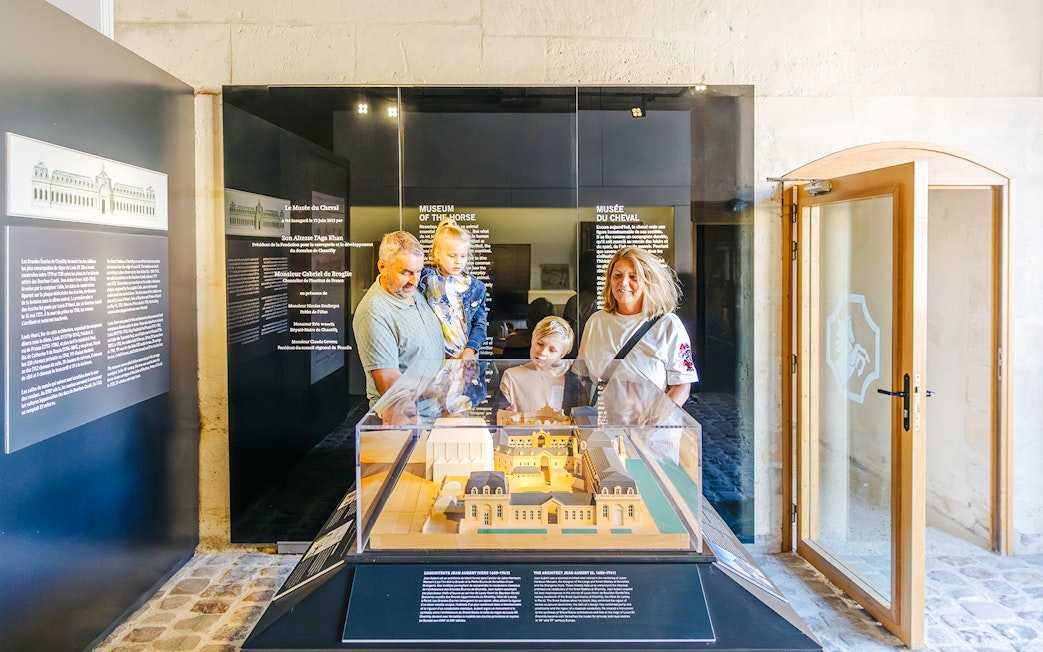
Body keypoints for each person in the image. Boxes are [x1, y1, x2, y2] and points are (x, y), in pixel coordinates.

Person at [578, 246, 697, 406]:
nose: (623, 283)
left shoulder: (668, 324)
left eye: (633, 276)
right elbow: (581, 377)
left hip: (649, 425)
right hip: (602, 424)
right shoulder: (595, 322)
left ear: (649, 281)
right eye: (617, 275)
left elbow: (681, 385)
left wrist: (656, 422)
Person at [352, 231, 444, 407]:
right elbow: (389, 383)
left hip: (435, 413)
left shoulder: (410, 290)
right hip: (405, 422)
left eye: (418, 271)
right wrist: (442, 387)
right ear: (382, 267)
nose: (414, 281)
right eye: (405, 272)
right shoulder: (374, 313)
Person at [419, 218, 488, 360]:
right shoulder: (425, 280)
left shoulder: (476, 287)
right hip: (435, 356)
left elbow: (480, 324)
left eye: (463, 256)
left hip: (465, 356)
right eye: (452, 255)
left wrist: (470, 350)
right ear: (437, 254)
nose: (458, 261)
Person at [499, 316, 574, 412]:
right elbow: (501, 414)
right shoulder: (510, 377)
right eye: (540, 344)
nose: (543, 352)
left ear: (561, 355)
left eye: (552, 350)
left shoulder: (568, 381)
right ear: (532, 340)